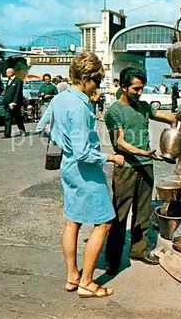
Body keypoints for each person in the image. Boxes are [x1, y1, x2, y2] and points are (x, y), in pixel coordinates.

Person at [37, 51, 124, 298]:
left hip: (68, 167)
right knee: (105, 221)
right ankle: (87, 282)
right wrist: (111, 157)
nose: (97, 86)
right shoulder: (79, 108)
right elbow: (84, 153)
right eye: (96, 80)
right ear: (86, 78)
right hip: (85, 170)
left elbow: (42, 127)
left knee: (72, 220)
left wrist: (60, 140)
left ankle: (72, 275)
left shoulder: (60, 98)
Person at [104, 67, 181, 274]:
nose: (139, 92)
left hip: (146, 166)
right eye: (135, 89)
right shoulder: (114, 112)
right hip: (126, 167)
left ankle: (139, 250)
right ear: (123, 86)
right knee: (119, 215)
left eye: (141, 88)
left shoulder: (143, 107)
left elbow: (166, 117)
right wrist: (142, 153)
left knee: (143, 212)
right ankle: (112, 258)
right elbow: (119, 143)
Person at [2, 68, 26, 138]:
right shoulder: (8, 80)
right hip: (7, 103)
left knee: (18, 118)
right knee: (7, 118)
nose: (6, 74)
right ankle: (7, 134)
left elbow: (18, 93)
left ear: (11, 72)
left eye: (7, 72)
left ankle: (22, 131)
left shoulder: (18, 81)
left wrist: (14, 102)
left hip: (14, 104)